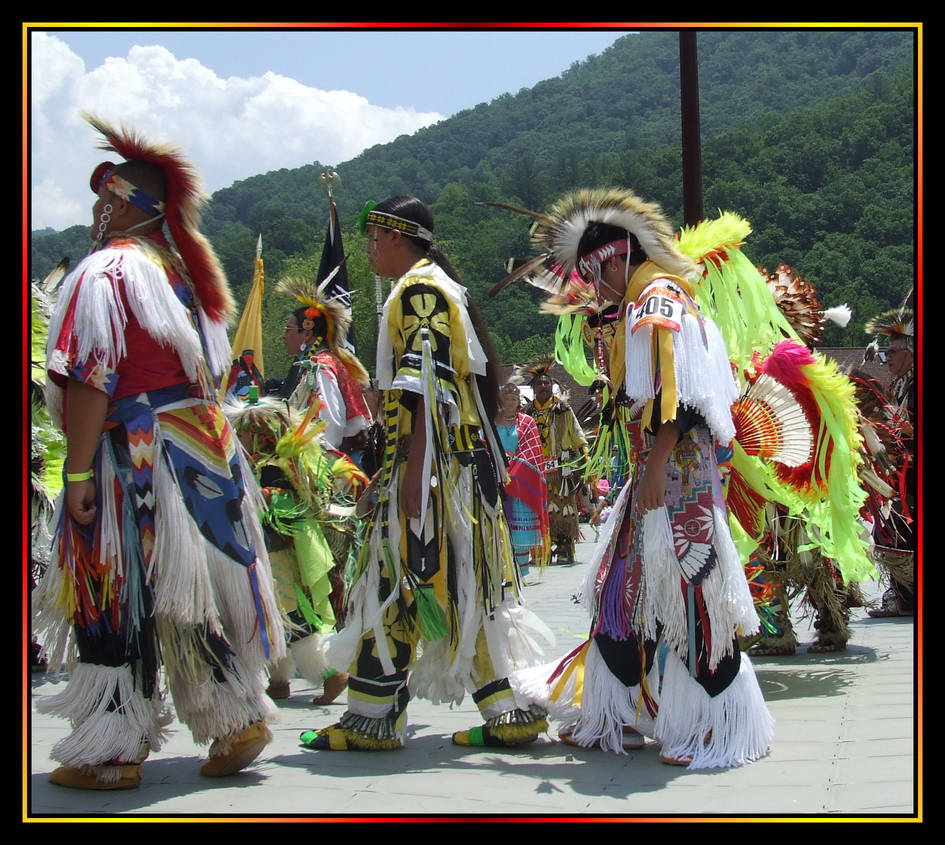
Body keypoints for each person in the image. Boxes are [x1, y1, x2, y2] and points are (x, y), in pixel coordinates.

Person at [32, 116, 285, 789]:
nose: (94, 211)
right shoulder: (179, 278)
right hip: (200, 452)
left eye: (102, 199)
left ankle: (112, 749)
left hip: (135, 456)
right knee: (185, 596)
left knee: (110, 593)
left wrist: (79, 469)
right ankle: (234, 716)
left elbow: (92, 376)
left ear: (121, 205)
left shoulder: (108, 269)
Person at [508, 188, 773, 768]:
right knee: (619, 590)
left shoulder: (656, 300)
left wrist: (654, 467)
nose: (592, 289)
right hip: (658, 478)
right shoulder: (643, 301)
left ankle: (718, 722)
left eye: (594, 274)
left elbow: (684, 399)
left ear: (614, 258)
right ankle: (616, 712)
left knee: (692, 591)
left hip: (678, 484)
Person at [301, 196, 551, 751]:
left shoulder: (420, 290)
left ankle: (373, 718)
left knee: (399, 581)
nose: (367, 249)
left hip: (437, 473)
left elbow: (428, 386)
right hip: (450, 469)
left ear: (396, 237)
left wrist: (411, 472)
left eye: (373, 239)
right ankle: (507, 714)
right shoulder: (435, 285)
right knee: (456, 586)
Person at [865, 307, 916, 618]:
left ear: (910, 353)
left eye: (892, 353)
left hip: (914, 477)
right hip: (905, 476)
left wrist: (908, 427)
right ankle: (906, 596)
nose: (888, 360)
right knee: (894, 530)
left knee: (898, 528)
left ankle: (908, 598)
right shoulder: (902, 385)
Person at [521, 359, 589, 564]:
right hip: (535, 471)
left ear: (552, 386)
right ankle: (542, 549)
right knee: (538, 509)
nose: (544, 386)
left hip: (561, 469)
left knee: (564, 509)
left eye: (547, 383)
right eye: (540, 383)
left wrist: (587, 467)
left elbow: (578, 438)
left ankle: (564, 547)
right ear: (533, 388)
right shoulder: (526, 413)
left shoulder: (563, 410)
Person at [494, 381, 549, 580]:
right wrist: (500, 465)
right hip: (498, 478)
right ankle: (502, 569)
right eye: (507, 399)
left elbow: (532, 451)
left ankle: (520, 570)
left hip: (519, 483)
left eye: (514, 399)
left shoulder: (527, 423)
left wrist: (514, 467)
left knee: (519, 531)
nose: (510, 402)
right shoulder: (492, 423)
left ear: (519, 402)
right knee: (499, 527)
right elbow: (486, 444)